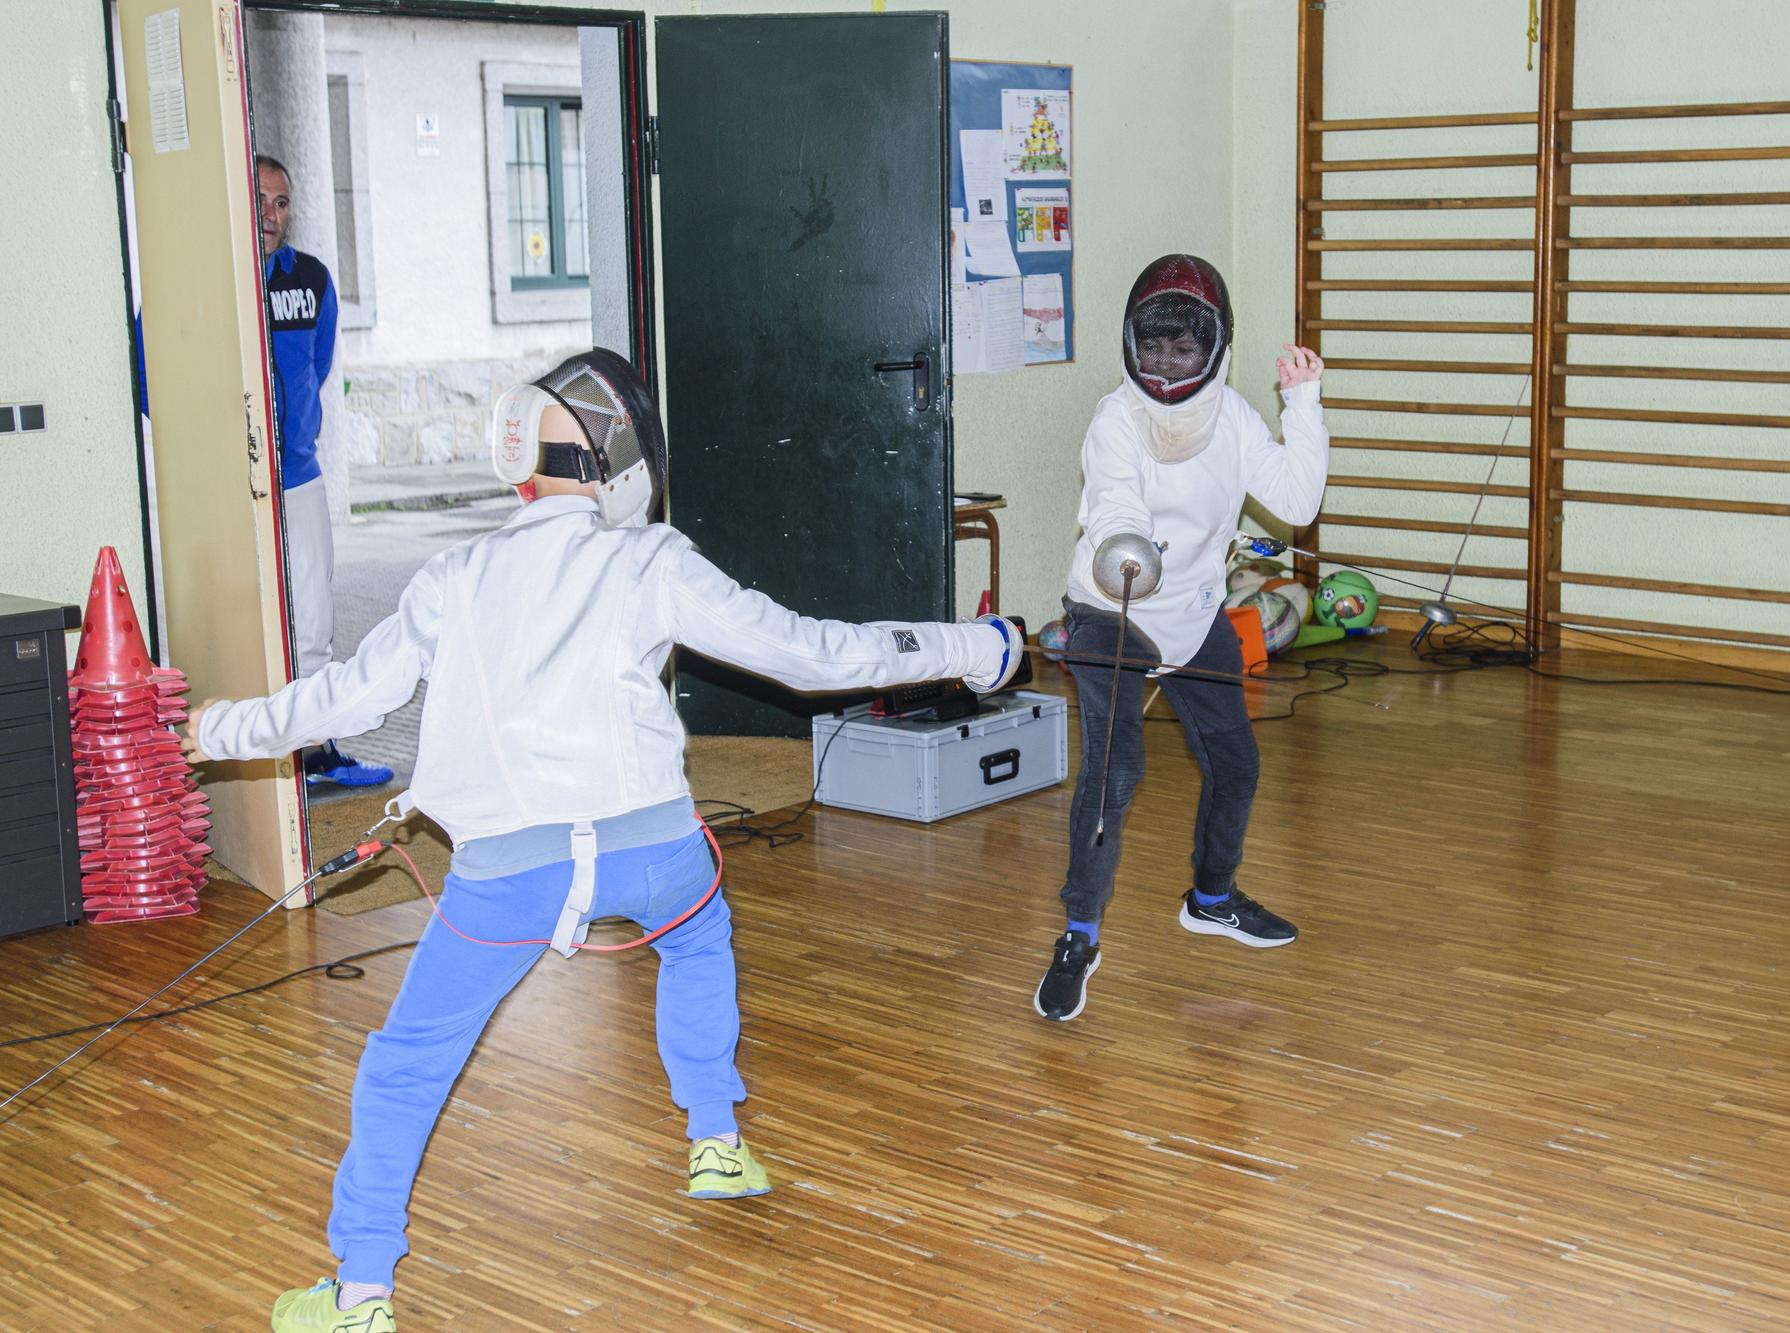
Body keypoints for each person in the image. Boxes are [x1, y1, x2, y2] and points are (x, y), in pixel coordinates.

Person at [179, 349, 1023, 1331]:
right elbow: (812, 651)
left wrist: (216, 728)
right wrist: (973, 648)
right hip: (656, 855)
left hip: (506, 881)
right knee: (699, 936)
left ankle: (361, 1292)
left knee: (406, 1061)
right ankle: (714, 1140)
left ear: (514, 452)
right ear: (624, 468)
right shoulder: (650, 560)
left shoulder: (453, 574)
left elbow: (346, 698)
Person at [1033, 254, 1327, 1023]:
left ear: (1215, 348)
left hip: (1194, 613)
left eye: (1183, 348)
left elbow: (1296, 499)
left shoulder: (1231, 418)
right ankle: (1079, 935)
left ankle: (1212, 897)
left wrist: (1303, 402)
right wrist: (1129, 544)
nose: (1166, 362)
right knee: (1113, 768)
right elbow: (1115, 506)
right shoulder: (1114, 420)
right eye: (1153, 346)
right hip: (1112, 605)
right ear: (1133, 344)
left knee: (1235, 761)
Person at [256, 152, 391, 789]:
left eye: (281, 202)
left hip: (299, 476)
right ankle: (256, 762)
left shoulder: (309, 279)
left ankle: (314, 754)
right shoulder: (209, 278)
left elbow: (318, 363)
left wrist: (299, 429)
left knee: (312, 621)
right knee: (248, 619)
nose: (270, 215)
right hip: (235, 489)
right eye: (260, 199)